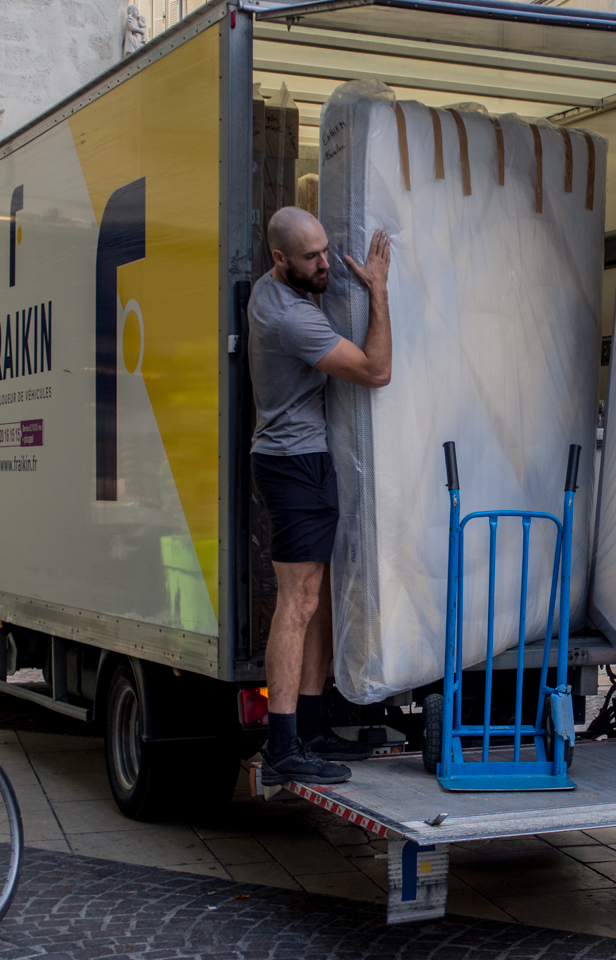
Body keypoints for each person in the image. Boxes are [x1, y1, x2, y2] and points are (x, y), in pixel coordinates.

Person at [249, 207, 392, 786]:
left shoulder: (273, 287)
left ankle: (309, 726)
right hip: (294, 465)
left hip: (302, 461)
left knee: (320, 598)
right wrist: (377, 291)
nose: (326, 264)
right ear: (280, 258)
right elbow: (376, 370)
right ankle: (283, 745)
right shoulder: (289, 318)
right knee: (299, 603)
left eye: (326, 250)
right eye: (312, 258)